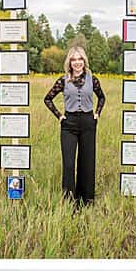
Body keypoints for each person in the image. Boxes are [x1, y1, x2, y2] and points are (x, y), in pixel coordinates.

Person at [42, 45, 105, 208]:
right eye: (74, 59)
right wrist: (59, 116)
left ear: (84, 61)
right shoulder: (63, 80)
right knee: (69, 164)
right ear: (69, 62)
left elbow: (102, 98)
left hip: (88, 123)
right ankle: (70, 201)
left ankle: (86, 200)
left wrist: (97, 113)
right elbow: (47, 98)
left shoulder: (93, 79)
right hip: (68, 124)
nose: (77, 62)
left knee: (87, 162)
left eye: (80, 59)